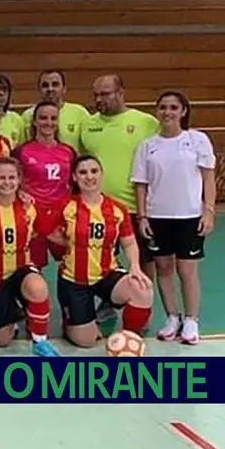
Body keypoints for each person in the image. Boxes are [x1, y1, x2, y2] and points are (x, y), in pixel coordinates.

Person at [41, 155, 154, 347]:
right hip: (74, 280)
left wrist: (135, 266)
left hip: (106, 274)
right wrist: (68, 242)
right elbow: (44, 229)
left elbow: (128, 242)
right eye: (83, 172)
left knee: (143, 288)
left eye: (94, 171)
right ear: (75, 178)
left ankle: (128, 339)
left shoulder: (117, 209)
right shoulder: (65, 206)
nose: (89, 177)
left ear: (101, 174)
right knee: (86, 342)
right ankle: (72, 320)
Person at [131, 91, 216, 345]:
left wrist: (208, 210)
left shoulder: (197, 140)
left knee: (187, 270)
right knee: (163, 268)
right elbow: (141, 185)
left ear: (183, 111)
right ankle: (172, 317)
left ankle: (191, 320)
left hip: (189, 216)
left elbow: (209, 178)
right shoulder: (148, 146)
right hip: (158, 216)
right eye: (163, 107)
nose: (167, 112)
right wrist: (143, 217)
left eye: (173, 107)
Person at [80, 74, 160, 322]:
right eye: (96, 95)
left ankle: (143, 304)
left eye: (104, 94)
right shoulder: (88, 124)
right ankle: (108, 301)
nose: (99, 99)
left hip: (136, 207)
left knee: (144, 259)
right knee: (103, 259)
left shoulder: (146, 122)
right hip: (98, 209)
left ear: (120, 93)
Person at [0, 157, 60, 357]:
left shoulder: (29, 208)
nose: (7, 182)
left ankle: (40, 342)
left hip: (21, 271)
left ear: (19, 179)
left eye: (12, 177)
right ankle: (4, 312)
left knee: (38, 286)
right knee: (2, 340)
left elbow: (49, 231)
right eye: (1, 177)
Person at [12, 101, 75, 269]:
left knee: (71, 267)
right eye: (43, 118)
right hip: (34, 218)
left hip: (61, 218)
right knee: (33, 268)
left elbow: (75, 185)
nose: (48, 122)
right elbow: (11, 181)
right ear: (34, 121)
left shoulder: (68, 152)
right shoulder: (22, 151)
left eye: (53, 118)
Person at [21, 70, 90, 152]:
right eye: (45, 85)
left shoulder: (80, 113)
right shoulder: (27, 115)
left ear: (64, 89)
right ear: (39, 90)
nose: (50, 89)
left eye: (55, 85)